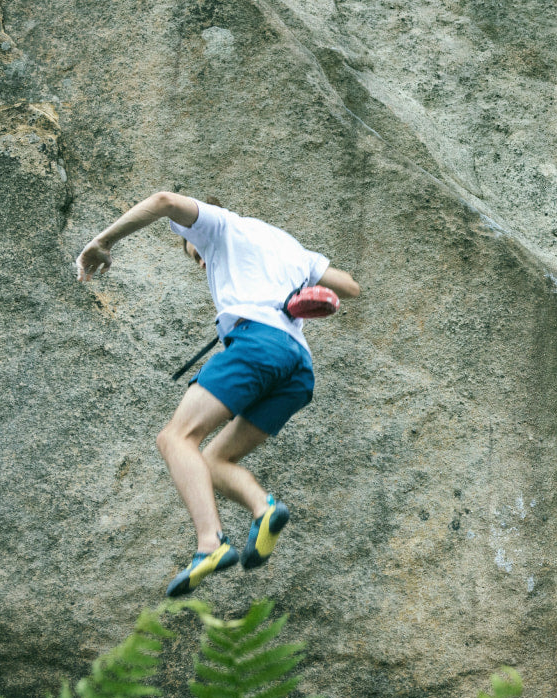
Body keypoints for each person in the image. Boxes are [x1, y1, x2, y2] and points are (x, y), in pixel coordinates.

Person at [76, 192, 359, 597]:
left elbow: (163, 200)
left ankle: (210, 544)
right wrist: (299, 290)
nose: (203, 262)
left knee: (175, 438)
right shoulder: (291, 249)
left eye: (195, 254)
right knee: (211, 459)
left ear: (197, 231)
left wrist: (101, 242)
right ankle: (264, 510)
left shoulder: (218, 224)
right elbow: (349, 287)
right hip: (299, 369)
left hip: (257, 342)